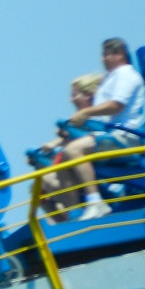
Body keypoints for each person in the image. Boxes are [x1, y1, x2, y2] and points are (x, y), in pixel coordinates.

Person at [39, 38, 145, 221]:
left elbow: (116, 106)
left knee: (74, 150)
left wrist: (86, 112)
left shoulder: (126, 75)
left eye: (106, 55)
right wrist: (72, 128)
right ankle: (75, 214)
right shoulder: (111, 78)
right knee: (64, 163)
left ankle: (96, 201)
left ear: (119, 54)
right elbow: (102, 118)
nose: (103, 60)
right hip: (106, 134)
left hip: (124, 137)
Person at [35, 73, 103, 220]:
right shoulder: (77, 120)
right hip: (74, 155)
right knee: (39, 186)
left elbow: (88, 135)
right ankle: (63, 220)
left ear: (88, 95)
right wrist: (51, 145)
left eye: (75, 95)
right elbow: (64, 139)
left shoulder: (96, 115)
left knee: (60, 169)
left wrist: (65, 135)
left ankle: (75, 212)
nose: (71, 99)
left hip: (92, 153)